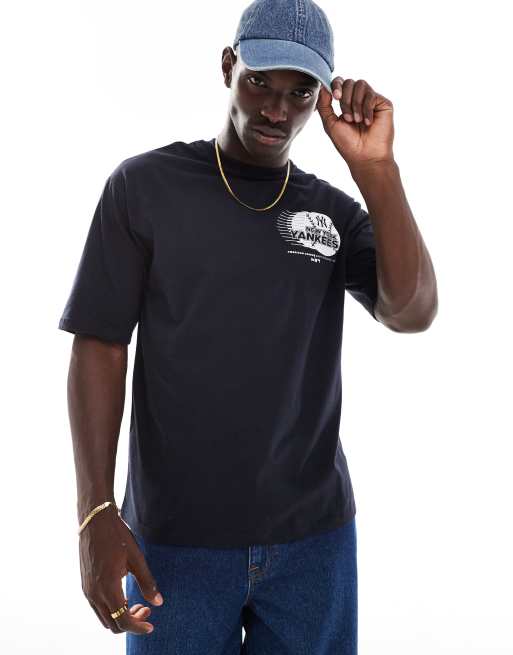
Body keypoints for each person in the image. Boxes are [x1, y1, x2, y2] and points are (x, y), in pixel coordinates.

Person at [58, 0, 438, 652]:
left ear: (321, 99)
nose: (276, 110)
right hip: (176, 541)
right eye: (259, 81)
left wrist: (375, 169)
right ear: (228, 66)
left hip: (313, 543)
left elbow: (411, 311)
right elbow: (100, 342)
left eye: (300, 92)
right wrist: (95, 512)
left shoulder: (329, 213)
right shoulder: (145, 188)